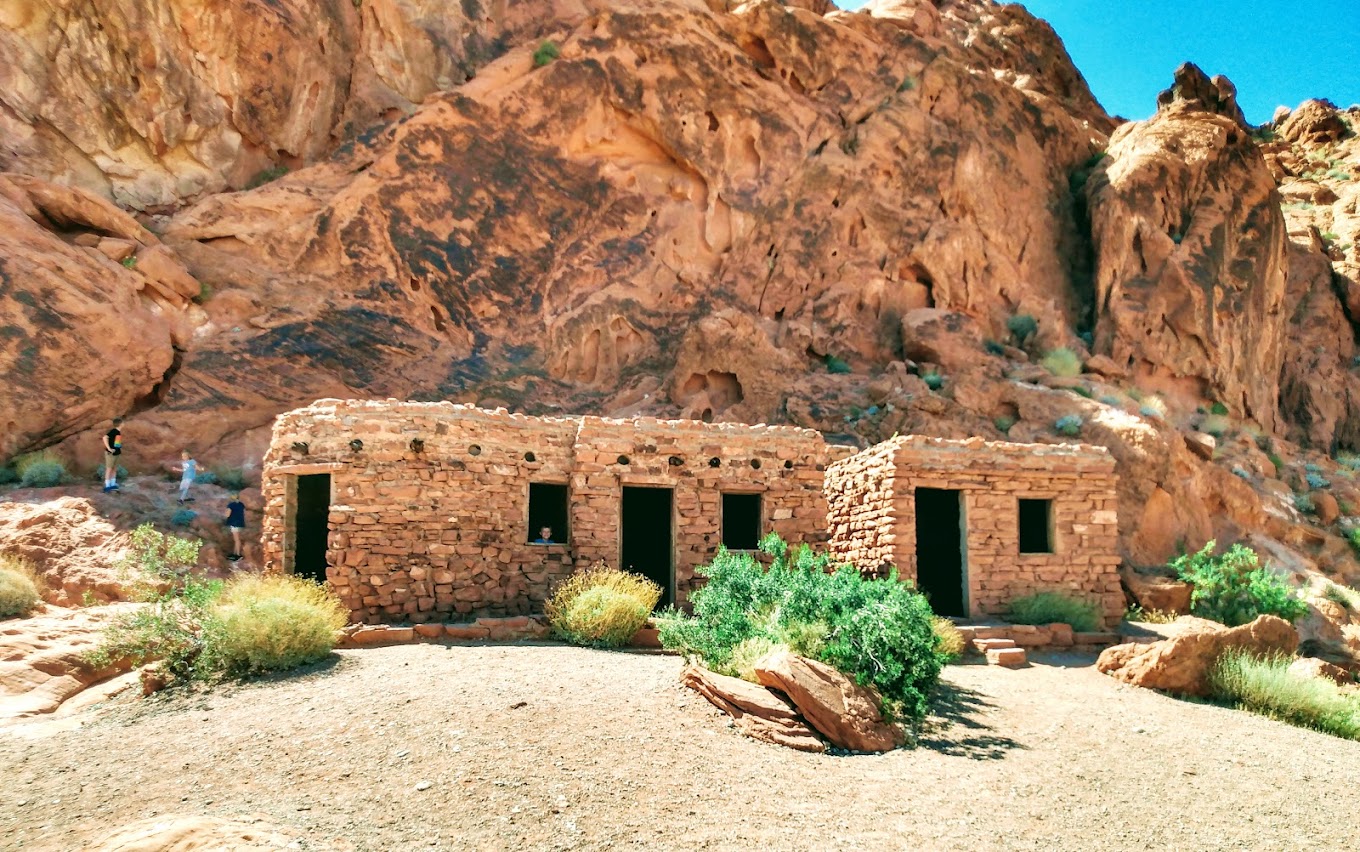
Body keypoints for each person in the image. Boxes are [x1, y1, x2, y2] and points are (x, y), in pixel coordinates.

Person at [102, 417, 123, 493]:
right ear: (120, 424)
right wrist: (109, 448)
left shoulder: (118, 432)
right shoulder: (113, 431)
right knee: (109, 468)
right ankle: (107, 486)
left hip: (116, 453)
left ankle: (112, 484)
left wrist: (118, 447)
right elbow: (105, 437)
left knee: (114, 468)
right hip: (110, 453)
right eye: (122, 423)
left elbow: (116, 443)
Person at [225, 492, 246, 561]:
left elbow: (227, 514)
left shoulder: (231, 505)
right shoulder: (241, 504)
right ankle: (235, 553)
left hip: (234, 524)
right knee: (237, 539)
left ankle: (238, 555)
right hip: (240, 523)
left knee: (237, 540)